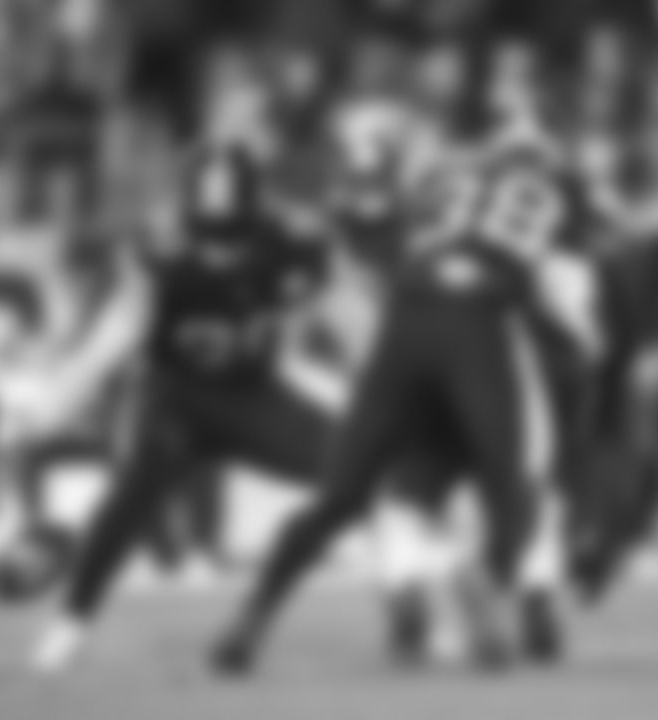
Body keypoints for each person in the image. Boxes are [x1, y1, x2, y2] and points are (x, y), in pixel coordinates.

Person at [211, 91, 597, 674]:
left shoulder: (449, 176)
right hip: (478, 325)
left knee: (342, 496)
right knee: (513, 484)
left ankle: (253, 616)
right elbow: (563, 293)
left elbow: (396, 234)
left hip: (407, 322)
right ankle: (490, 587)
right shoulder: (558, 194)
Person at [30, 124, 335, 672]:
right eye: (209, 193)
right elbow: (118, 334)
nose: (220, 248)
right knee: (128, 500)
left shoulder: (287, 242)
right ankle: (70, 621)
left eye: (228, 192)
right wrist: (58, 401)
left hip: (254, 395)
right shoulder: (161, 247)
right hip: (178, 397)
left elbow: (322, 312)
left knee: (352, 469)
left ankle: (264, 615)